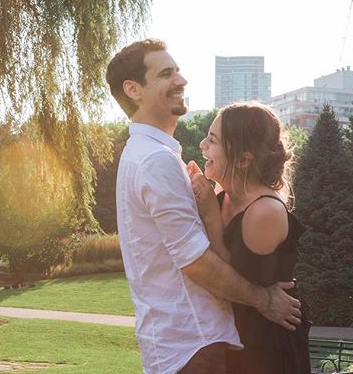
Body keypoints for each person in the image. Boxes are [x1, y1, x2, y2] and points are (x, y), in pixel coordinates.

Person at [106, 40, 301, 374]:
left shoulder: (149, 154)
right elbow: (195, 262)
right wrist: (264, 299)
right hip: (193, 343)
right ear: (133, 89)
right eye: (166, 74)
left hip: (188, 344)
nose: (181, 81)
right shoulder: (155, 160)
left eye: (178, 71)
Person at [190, 102, 311, 374]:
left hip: (267, 348)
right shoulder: (224, 194)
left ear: (244, 159)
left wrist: (210, 215)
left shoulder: (264, 211)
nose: (202, 145)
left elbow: (231, 279)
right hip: (234, 338)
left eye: (212, 141)